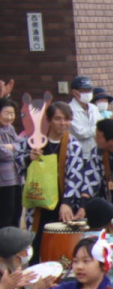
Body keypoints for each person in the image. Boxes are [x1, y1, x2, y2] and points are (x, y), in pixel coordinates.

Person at [16, 101, 89, 261]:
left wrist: (67, 202)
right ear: (48, 120)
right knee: (37, 244)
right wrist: (29, 157)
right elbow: (18, 163)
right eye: (58, 118)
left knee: (62, 246)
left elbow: (75, 175)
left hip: (63, 203)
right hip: (38, 202)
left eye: (67, 119)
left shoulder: (73, 144)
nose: (63, 123)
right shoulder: (32, 140)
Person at [0, 98, 24, 228]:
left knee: (17, 213)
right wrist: (14, 149)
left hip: (17, 177)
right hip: (3, 181)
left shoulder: (10, 128)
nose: (9, 117)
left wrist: (11, 147)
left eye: (12, 113)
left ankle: (13, 245)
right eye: (6, 113)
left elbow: (22, 146)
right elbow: (2, 152)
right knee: (6, 215)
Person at [68, 75, 101, 157]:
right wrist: (99, 128)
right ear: (74, 92)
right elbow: (81, 133)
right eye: (83, 90)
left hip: (96, 152)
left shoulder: (93, 108)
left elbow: (102, 128)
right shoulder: (69, 109)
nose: (87, 93)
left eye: (89, 90)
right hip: (78, 154)